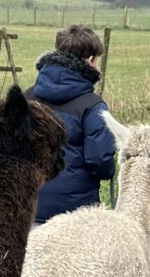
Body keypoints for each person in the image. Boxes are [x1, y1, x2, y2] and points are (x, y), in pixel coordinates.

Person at [29, 25, 117, 224]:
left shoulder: (25, 99)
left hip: (28, 207)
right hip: (76, 217)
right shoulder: (92, 106)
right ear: (90, 60)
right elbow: (100, 162)